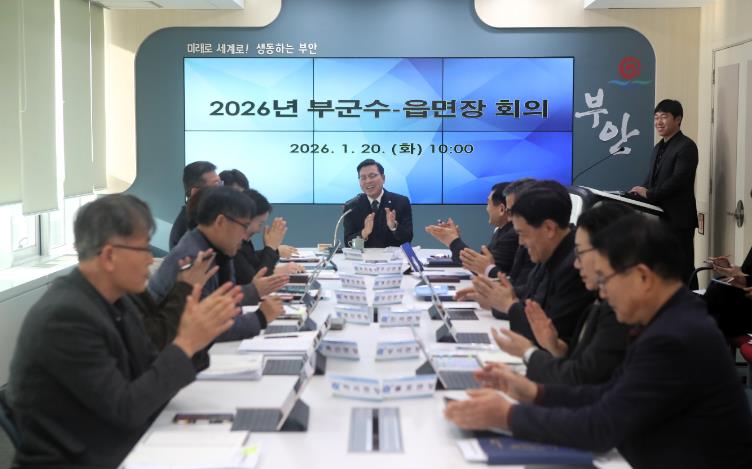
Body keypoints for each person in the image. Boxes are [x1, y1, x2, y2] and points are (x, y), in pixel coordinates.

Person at [444, 215, 752, 468]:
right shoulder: (668, 319)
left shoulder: (675, 337)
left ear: (643, 277)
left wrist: (507, 416)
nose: (602, 292)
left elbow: (601, 427)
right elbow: (609, 394)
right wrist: (534, 392)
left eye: (605, 279)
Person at [6, 195, 241, 467]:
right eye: (143, 249)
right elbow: (127, 409)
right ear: (109, 256)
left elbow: (148, 369)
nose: (150, 260)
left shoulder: (118, 300)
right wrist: (186, 343)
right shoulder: (65, 318)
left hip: (122, 444)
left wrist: (196, 338)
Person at [491, 202, 632, 385]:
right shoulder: (601, 303)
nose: (577, 264)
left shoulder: (619, 313)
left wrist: (529, 356)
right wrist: (556, 347)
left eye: (580, 253)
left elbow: (585, 382)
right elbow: (580, 364)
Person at [458, 181, 593, 345]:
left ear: (549, 229)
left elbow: (550, 334)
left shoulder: (574, 266)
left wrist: (507, 306)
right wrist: (493, 293)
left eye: (523, 234)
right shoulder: (550, 250)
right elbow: (529, 293)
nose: (520, 242)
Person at [149, 186, 287, 341]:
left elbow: (226, 306)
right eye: (244, 226)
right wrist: (261, 317)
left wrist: (254, 293)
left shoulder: (218, 248)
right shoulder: (195, 257)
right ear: (221, 222)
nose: (245, 235)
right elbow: (210, 327)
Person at [630, 99, 698, 285]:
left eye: (664, 117)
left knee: (682, 266)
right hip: (658, 218)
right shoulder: (658, 147)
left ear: (678, 119)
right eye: (656, 117)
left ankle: (691, 300)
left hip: (678, 219)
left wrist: (649, 194)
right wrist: (637, 193)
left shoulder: (686, 146)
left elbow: (678, 180)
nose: (658, 122)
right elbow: (650, 180)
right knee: (663, 267)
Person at [425, 182, 517, 275]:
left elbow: (485, 270)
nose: (487, 208)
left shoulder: (512, 236)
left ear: (502, 209)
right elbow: (482, 263)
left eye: (488, 203)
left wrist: (453, 241)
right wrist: (454, 239)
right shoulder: (501, 230)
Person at [459, 178, 535, 290]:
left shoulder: (514, 236)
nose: (510, 218)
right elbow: (517, 285)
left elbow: (521, 291)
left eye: (511, 212)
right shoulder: (502, 231)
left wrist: (489, 269)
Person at [234, 189, 304, 284]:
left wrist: (274, 251)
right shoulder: (233, 247)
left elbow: (253, 265)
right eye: (260, 224)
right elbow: (258, 283)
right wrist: (271, 247)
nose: (259, 231)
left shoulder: (245, 243)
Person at [343, 159, 413, 248]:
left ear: (383, 178)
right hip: (364, 256)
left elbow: (408, 238)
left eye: (372, 176)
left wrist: (394, 226)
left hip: (393, 256)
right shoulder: (351, 206)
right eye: (363, 178)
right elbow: (348, 243)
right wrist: (364, 233)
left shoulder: (401, 202)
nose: (368, 181)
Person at [169, 161, 221, 249]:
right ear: (196, 193)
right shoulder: (189, 228)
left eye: (220, 183)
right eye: (216, 185)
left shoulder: (206, 217)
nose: (223, 191)